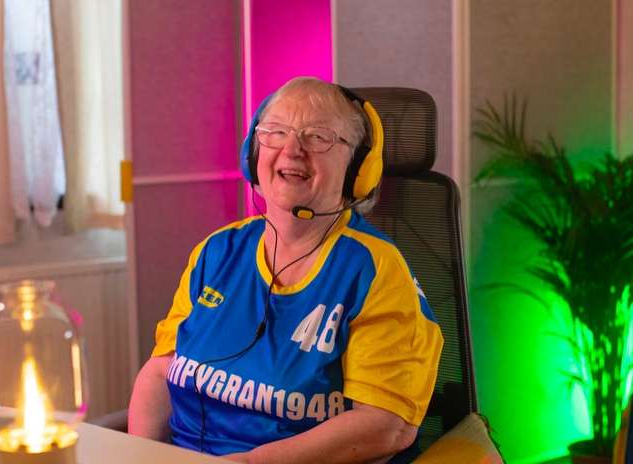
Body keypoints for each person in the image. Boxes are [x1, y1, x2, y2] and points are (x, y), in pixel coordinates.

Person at [128, 77, 443, 463]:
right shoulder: (218, 250)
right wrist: (138, 455)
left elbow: (386, 425)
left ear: (357, 168)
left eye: (318, 137)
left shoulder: (375, 270)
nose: (292, 150)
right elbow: (161, 371)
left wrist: (249, 462)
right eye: (276, 132)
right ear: (253, 153)